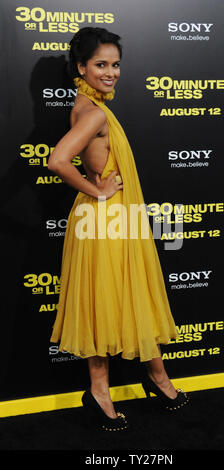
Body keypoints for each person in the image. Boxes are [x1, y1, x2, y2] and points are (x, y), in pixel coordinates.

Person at [48, 27, 189, 432]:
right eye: (101, 65)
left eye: (115, 65)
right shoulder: (93, 112)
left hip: (110, 219)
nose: (111, 73)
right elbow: (57, 161)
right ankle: (109, 391)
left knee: (117, 300)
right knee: (108, 302)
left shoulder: (86, 105)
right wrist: (99, 190)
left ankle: (150, 380)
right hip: (105, 219)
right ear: (81, 67)